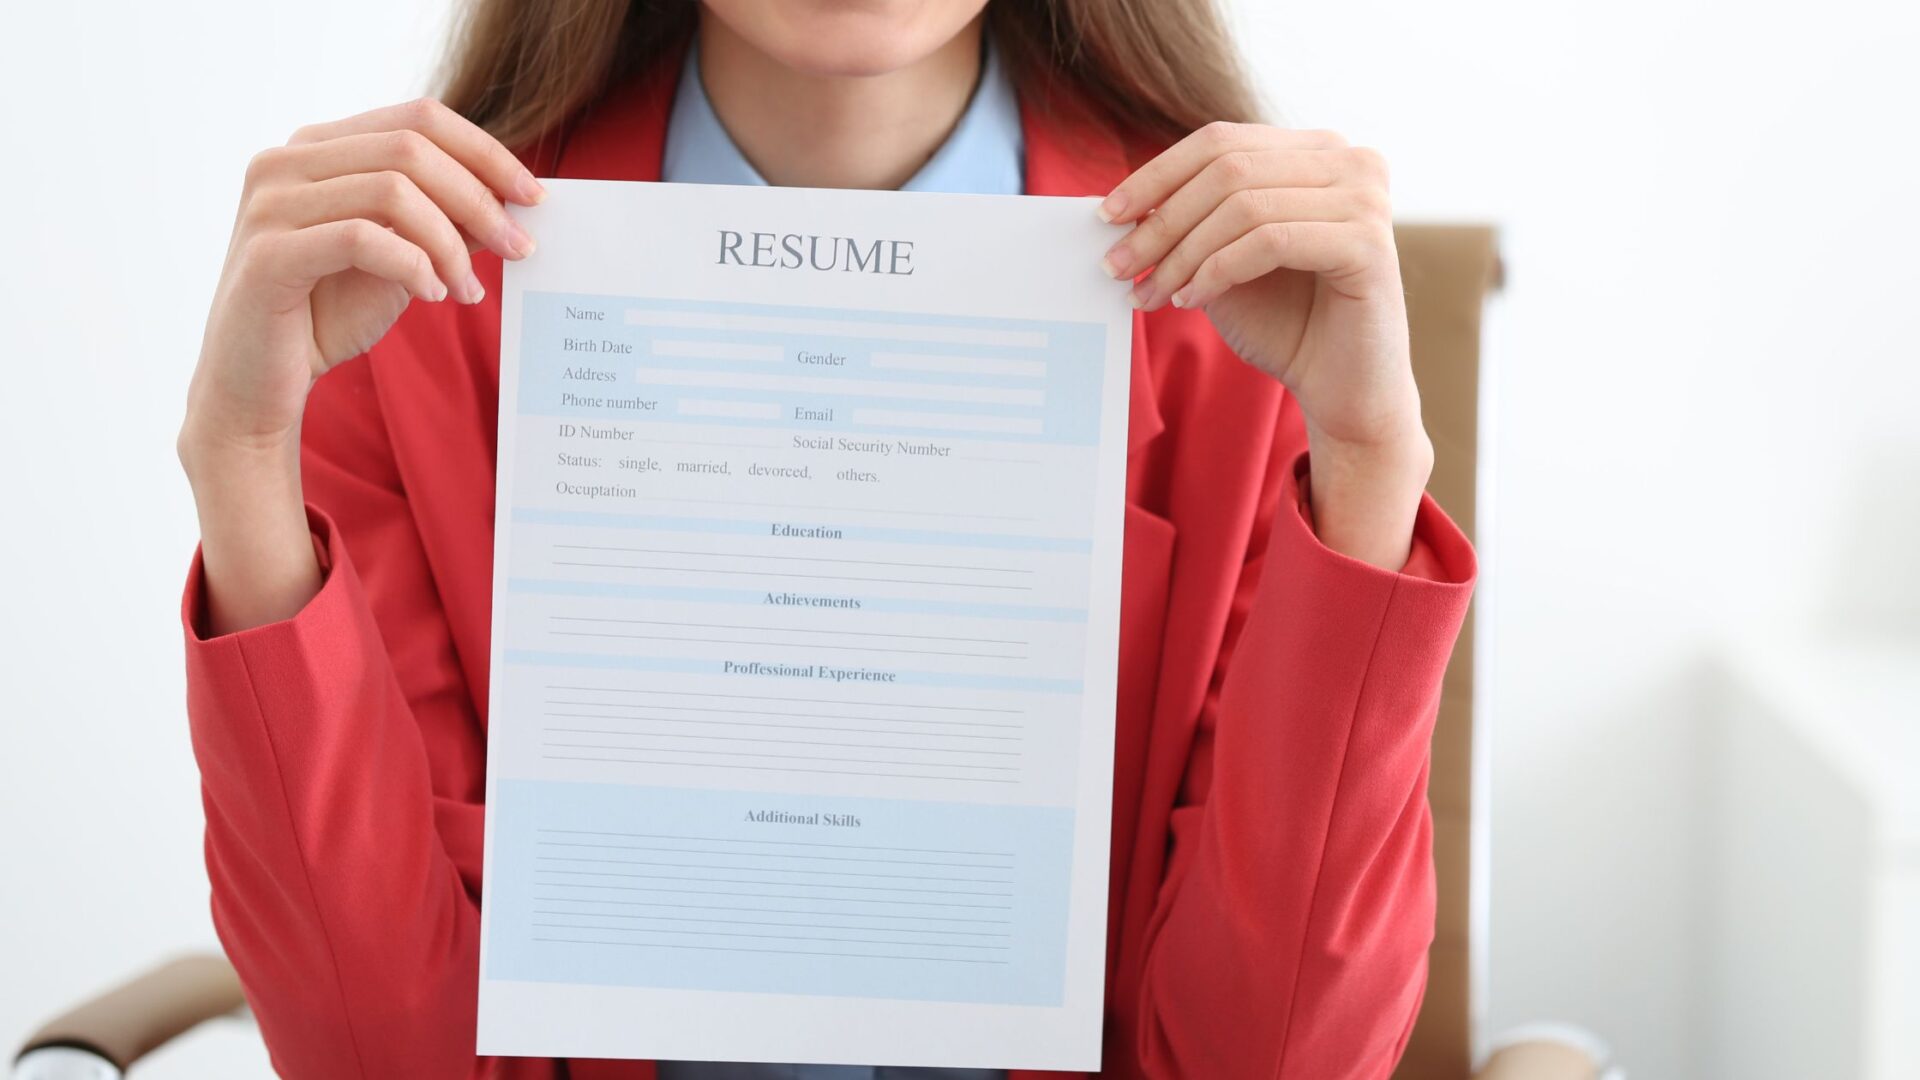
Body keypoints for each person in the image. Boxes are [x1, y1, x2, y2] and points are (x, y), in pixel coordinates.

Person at [176, 1, 1476, 1077]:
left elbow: (1268, 1061)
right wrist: (241, 466)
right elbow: (381, 1060)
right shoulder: (413, 287)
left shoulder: (1234, 311)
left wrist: (1365, 467)